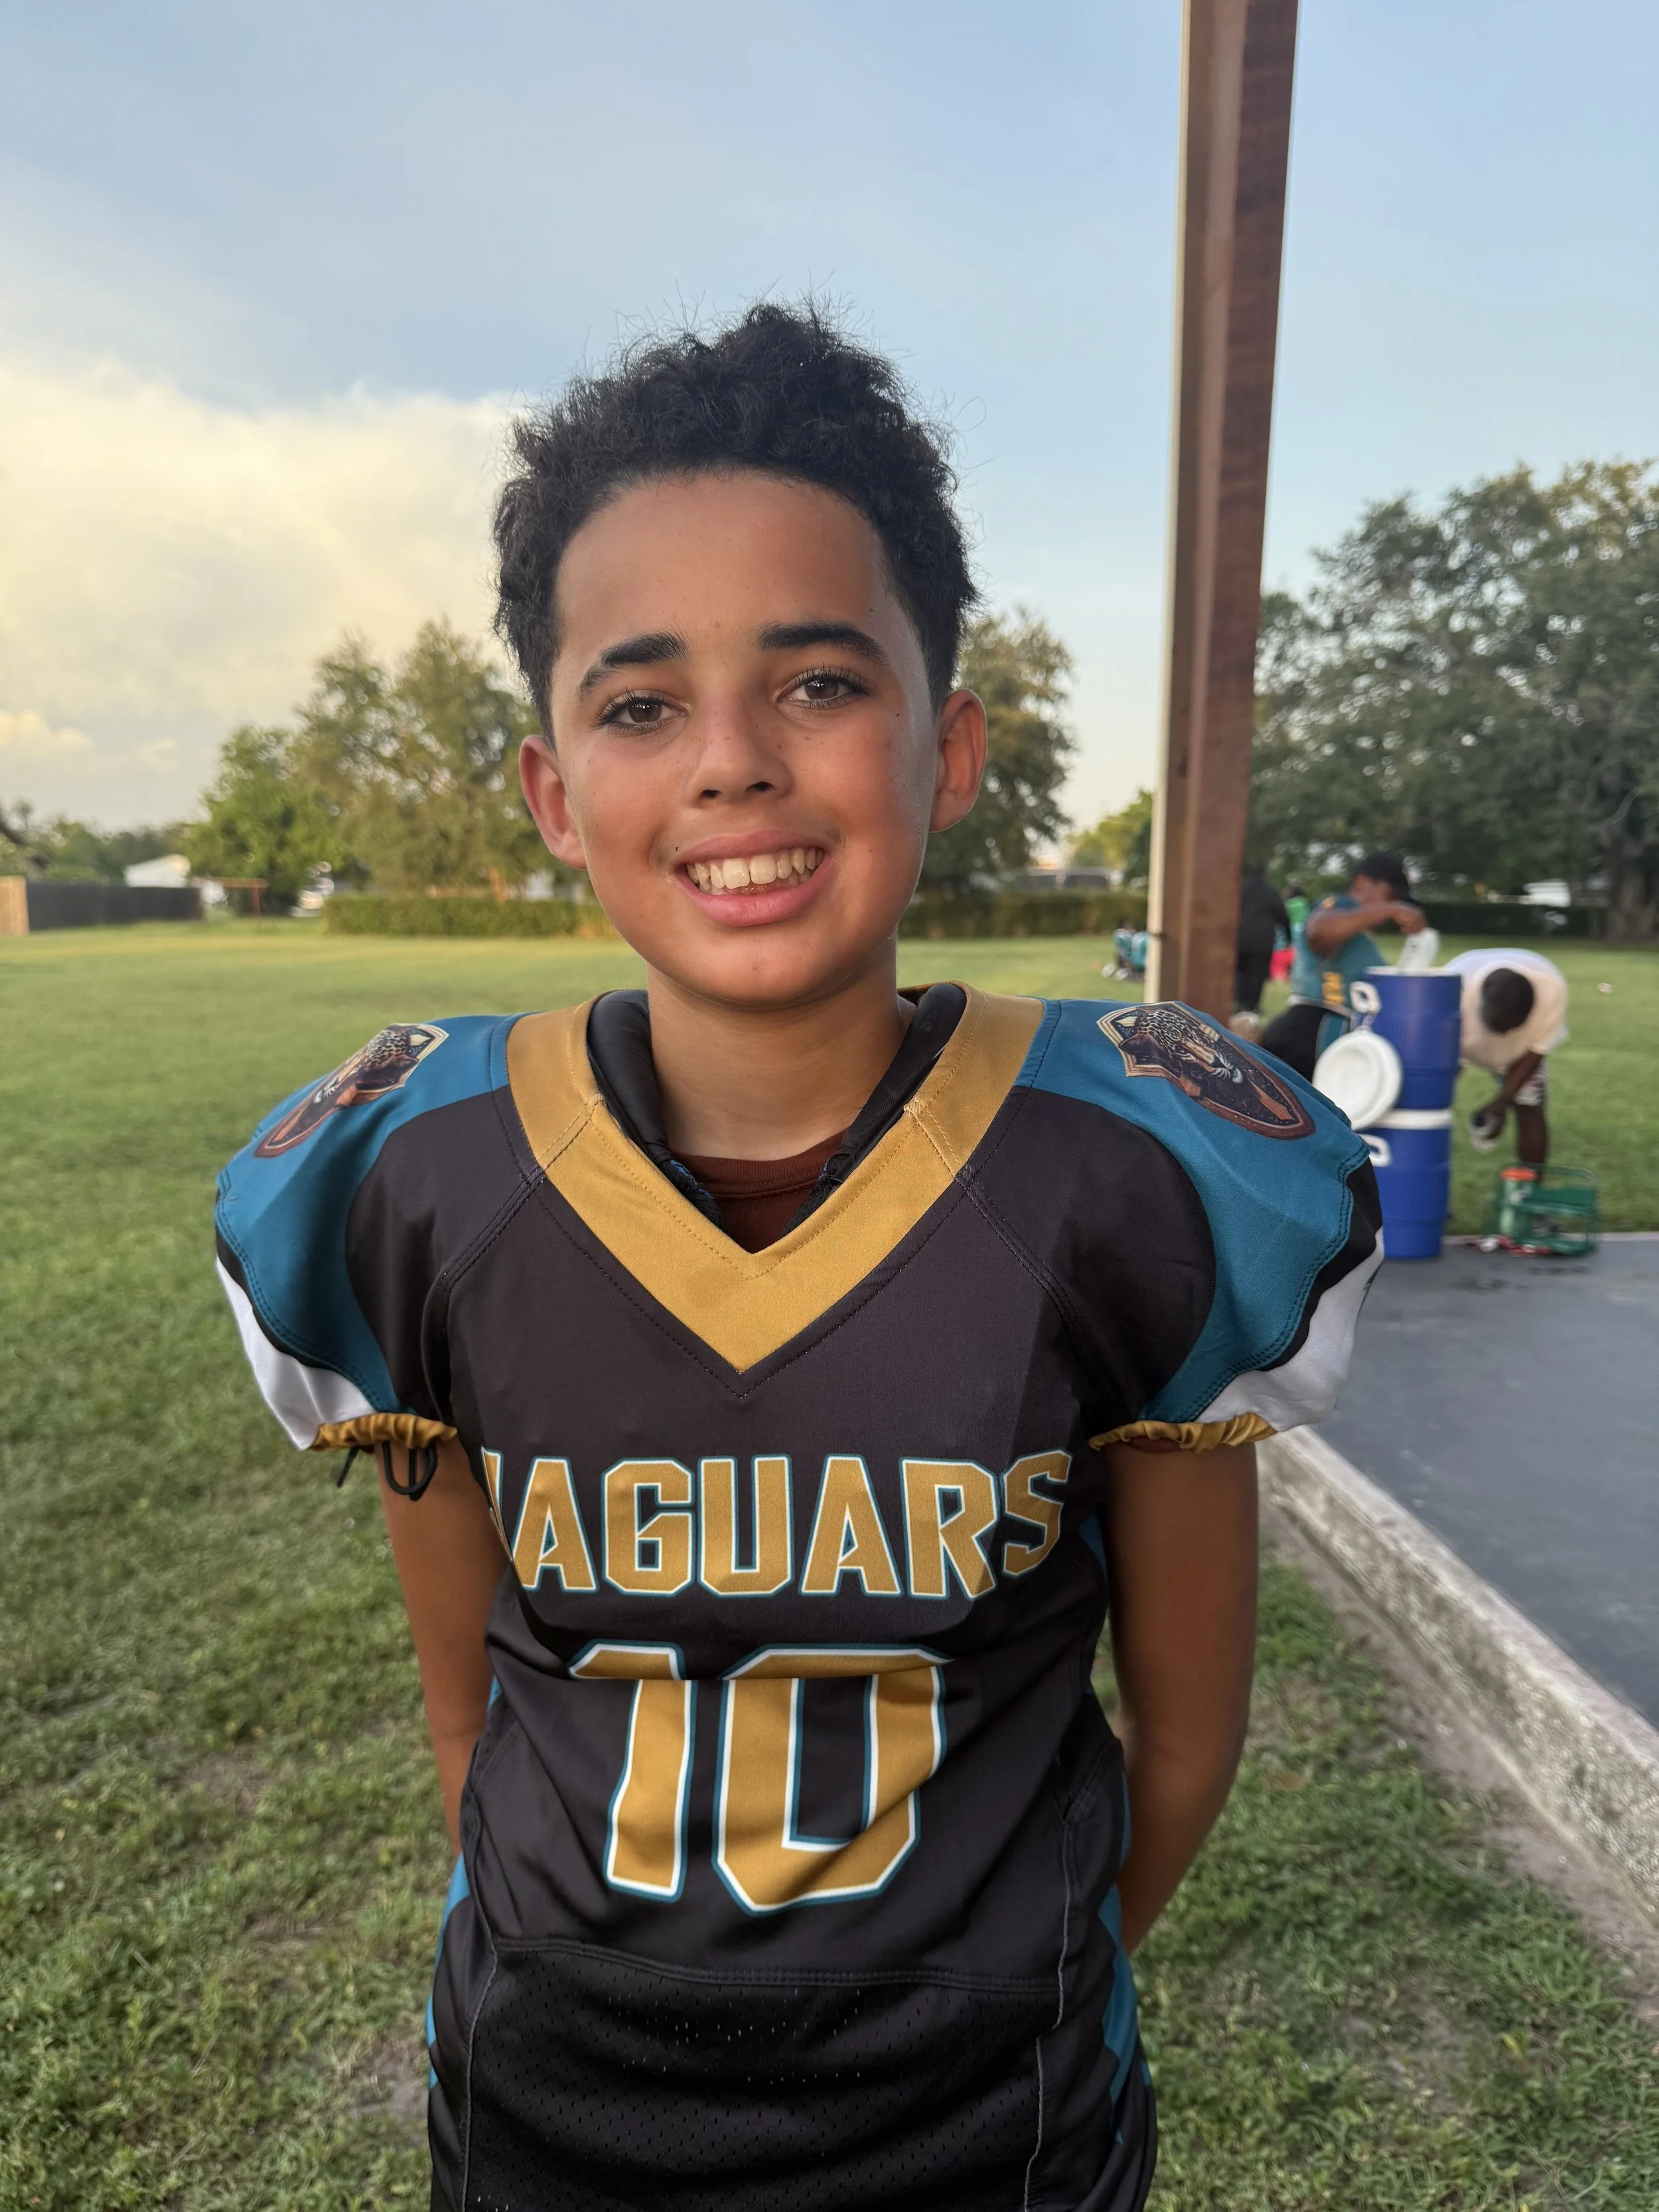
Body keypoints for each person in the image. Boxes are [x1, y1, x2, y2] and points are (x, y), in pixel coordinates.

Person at [213, 305, 1380, 2212]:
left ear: (949, 747)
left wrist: (995, 1986)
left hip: (980, 2126)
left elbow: (1180, 1741)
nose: (734, 764)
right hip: (553, 2109)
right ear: (547, 789)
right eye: (641, 700)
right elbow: (469, 1717)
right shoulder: (416, 1178)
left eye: (820, 681)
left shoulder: (1122, 1168)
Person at [1260, 853, 1427, 1080]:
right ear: (1362, 882)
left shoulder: (1358, 931)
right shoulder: (1340, 905)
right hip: (1316, 1029)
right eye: (1390, 895)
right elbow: (1320, 932)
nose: (1393, 903)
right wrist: (1392, 909)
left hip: (1324, 1031)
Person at [1443, 946, 1569, 1167]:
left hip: (1520, 1055)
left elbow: (1537, 1051)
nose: (1504, 1034)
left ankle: (1531, 1190)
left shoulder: (1552, 989)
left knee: (1531, 1107)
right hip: (1456, 1047)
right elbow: (1438, 1046)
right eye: (1499, 1026)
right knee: (1430, 1106)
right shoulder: (1454, 984)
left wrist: (1501, 1103)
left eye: (1514, 1027)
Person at [1235, 860, 1292, 1016]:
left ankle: (1238, 1002)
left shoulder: (1241, 890)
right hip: (1262, 941)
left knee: (1240, 973)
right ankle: (1252, 1006)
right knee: (1257, 975)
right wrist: (1288, 938)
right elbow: (1283, 917)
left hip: (1240, 938)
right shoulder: (1271, 893)